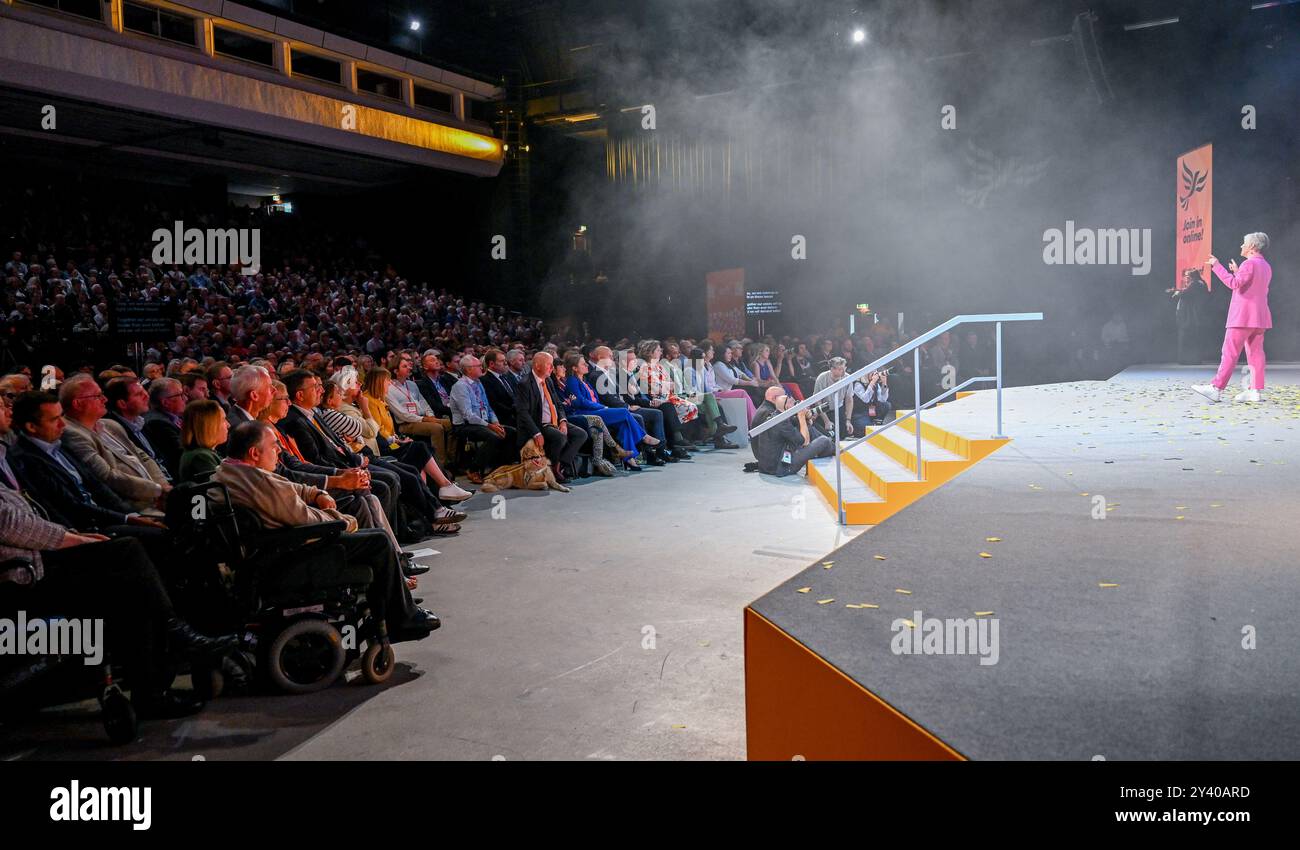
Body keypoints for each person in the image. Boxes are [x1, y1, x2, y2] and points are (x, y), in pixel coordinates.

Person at [213, 420, 439, 642]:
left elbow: (289, 487)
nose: (279, 450)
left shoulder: (230, 471)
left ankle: (398, 608)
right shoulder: (260, 485)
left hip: (273, 549)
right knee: (378, 541)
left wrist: (315, 493)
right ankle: (403, 619)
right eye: (273, 445)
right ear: (254, 453)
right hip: (294, 552)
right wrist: (346, 520)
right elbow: (308, 520)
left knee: (372, 531)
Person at [58, 374, 171, 515]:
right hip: (135, 505)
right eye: (97, 396)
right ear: (78, 404)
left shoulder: (110, 425)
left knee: (199, 503)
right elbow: (106, 476)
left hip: (158, 495)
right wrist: (157, 490)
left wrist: (164, 486)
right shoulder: (72, 434)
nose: (104, 399)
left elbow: (144, 457)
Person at [1193, 232, 1273, 404]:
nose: (1241, 246)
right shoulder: (1265, 265)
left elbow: (1233, 284)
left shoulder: (1249, 264)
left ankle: (1216, 389)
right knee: (1256, 353)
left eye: (1244, 243)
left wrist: (1216, 265)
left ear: (1252, 246)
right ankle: (1255, 391)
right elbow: (1250, 286)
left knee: (1229, 353)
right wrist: (1238, 272)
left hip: (1243, 317)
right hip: (1259, 317)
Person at [515, 352, 588, 483]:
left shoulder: (548, 380)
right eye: (549, 365)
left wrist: (563, 421)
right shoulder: (525, 383)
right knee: (560, 437)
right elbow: (522, 412)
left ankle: (559, 464)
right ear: (537, 366)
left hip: (554, 421)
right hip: (539, 424)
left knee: (581, 434)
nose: (551, 368)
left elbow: (558, 404)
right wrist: (536, 433)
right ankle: (554, 470)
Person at [448, 355, 517, 484]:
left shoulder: (478, 383)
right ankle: (473, 469)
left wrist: (495, 422)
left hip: (483, 422)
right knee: (493, 436)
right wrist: (490, 426)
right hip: (464, 425)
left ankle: (500, 467)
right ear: (469, 370)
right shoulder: (460, 386)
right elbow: (468, 415)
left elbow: (488, 407)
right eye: (478, 366)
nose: (481, 368)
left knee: (511, 432)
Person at [749, 387, 833, 477]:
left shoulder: (776, 416)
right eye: (793, 404)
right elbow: (805, 442)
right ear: (786, 406)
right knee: (824, 440)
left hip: (771, 463)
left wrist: (804, 418)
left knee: (810, 430)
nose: (795, 406)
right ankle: (832, 451)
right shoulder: (780, 421)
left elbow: (792, 425)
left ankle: (831, 450)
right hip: (780, 467)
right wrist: (801, 416)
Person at [143, 377, 186, 479]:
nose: (185, 398)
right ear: (165, 402)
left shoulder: (176, 416)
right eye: (180, 395)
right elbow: (181, 454)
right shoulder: (158, 423)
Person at [178, 399, 228, 483]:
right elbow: (219, 492)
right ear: (209, 426)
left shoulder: (203, 453)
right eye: (223, 420)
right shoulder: (201, 457)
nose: (228, 425)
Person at [1169, 268, 1208, 365]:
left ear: (1192, 276)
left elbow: (1186, 294)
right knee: (1189, 337)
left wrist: (1178, 293)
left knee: (1188, 337)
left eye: (1187, 276)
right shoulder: (1198, 283)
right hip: (1190, 316)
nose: (1185, 278)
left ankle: (1188, 359)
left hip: (1191, 317)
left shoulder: (1197, 284)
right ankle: (1189, 359)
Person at [812, 357, 855, 438]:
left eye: (842, 368)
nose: (841, 371)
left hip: (839, 408)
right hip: (823, 410)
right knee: (826, 436)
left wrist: (848, 420)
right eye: (839, 369)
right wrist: (826, 421)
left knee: (842, 435)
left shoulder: (848, 378)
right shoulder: (822, 378)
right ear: (832, 369)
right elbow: (817, 401)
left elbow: (849, 399)